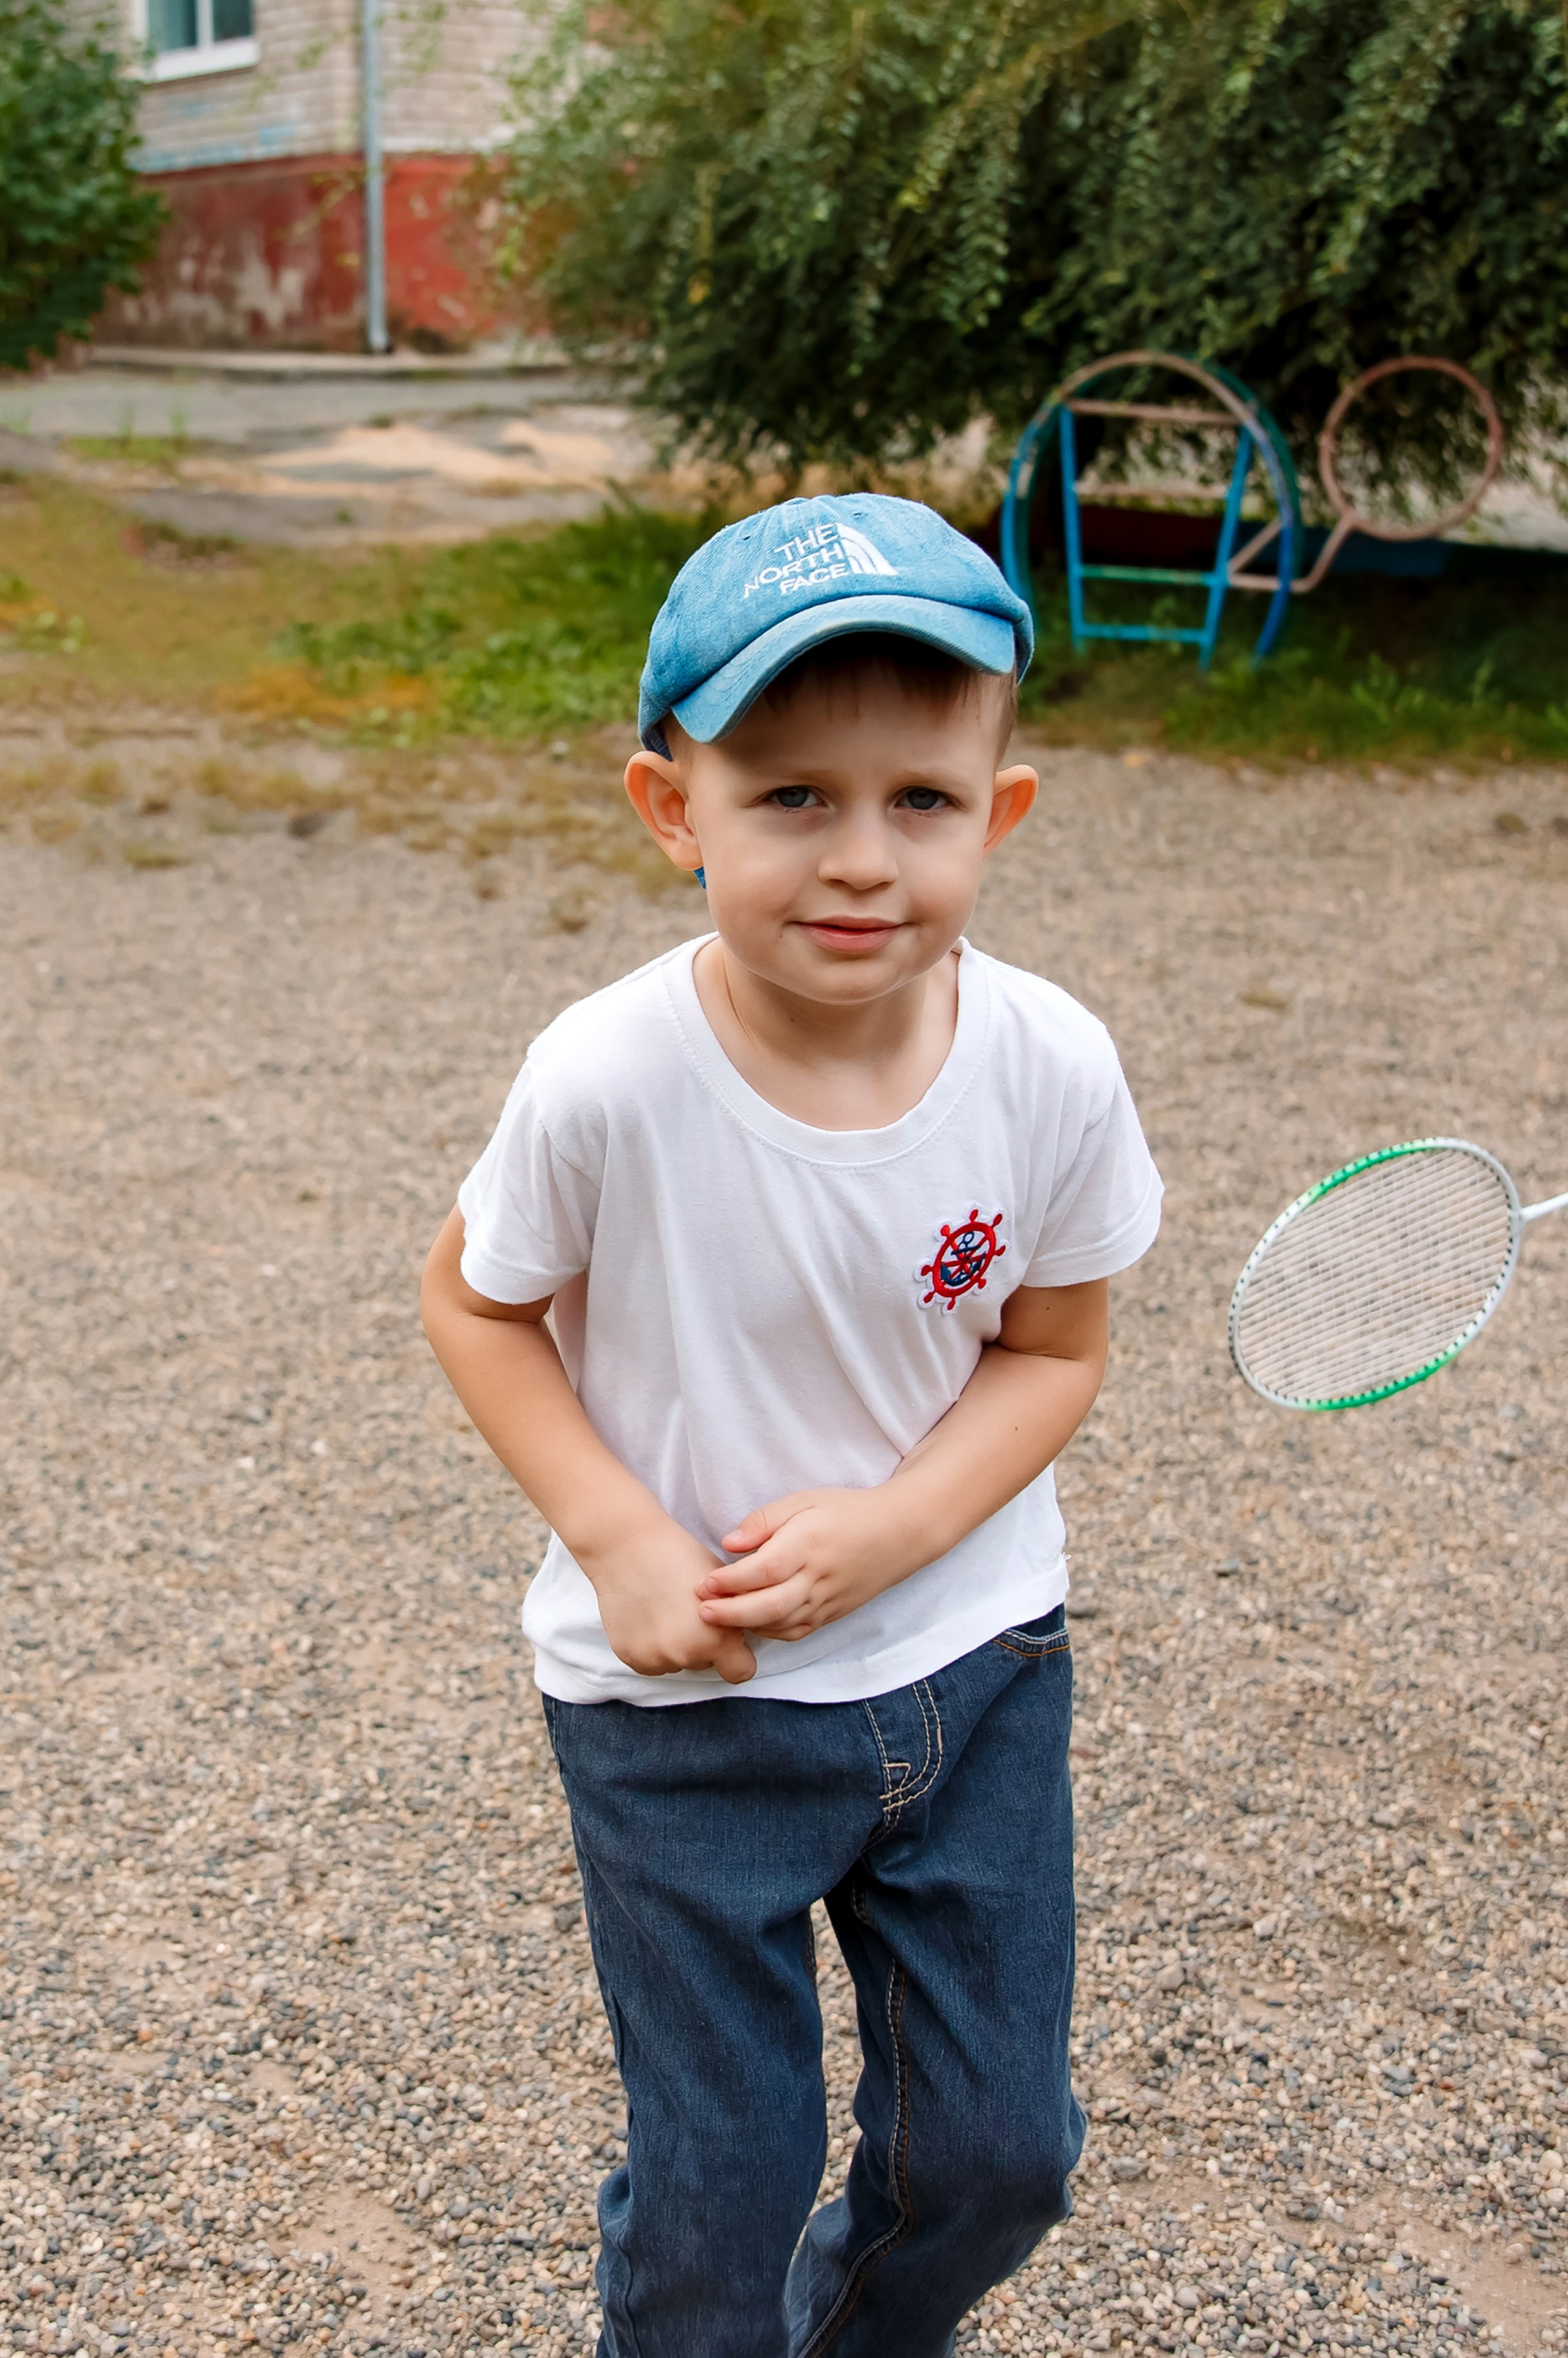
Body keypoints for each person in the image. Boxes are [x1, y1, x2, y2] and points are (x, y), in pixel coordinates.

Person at [420, 492, 1163, 2358]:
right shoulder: (606, 1077)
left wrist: (899, 1531)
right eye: (791, 797)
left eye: (919, 800)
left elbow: (1056, 1351)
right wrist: (620, 1534)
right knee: (719, 2191)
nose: (859, 861)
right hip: (681, 1728)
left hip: (976, 1671)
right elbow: (474, 1299)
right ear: (674, 807)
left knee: (998, 2154)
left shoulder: (1052, 1063)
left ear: (1001, 812)